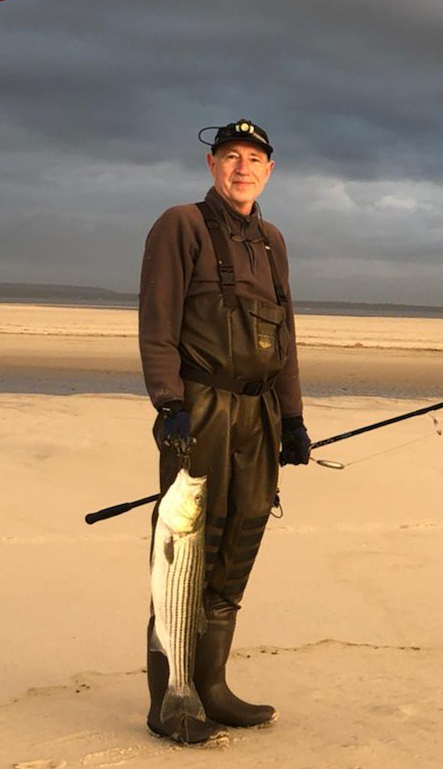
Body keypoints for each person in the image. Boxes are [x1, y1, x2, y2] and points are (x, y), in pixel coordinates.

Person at [138, 119, 311, 743]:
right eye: (230, 157)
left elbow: (285, 340)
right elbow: (157, 324)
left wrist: (291, 417)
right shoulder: (180, 224)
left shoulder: (272, 240)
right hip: (202, 407)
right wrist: (168, 406)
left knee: (240, 541)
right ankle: (171, 700)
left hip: (259, 416)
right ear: (213, 166)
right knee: (187, 551)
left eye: (254, 160)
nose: (243, 168)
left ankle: (212, 686)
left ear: (270, 170)